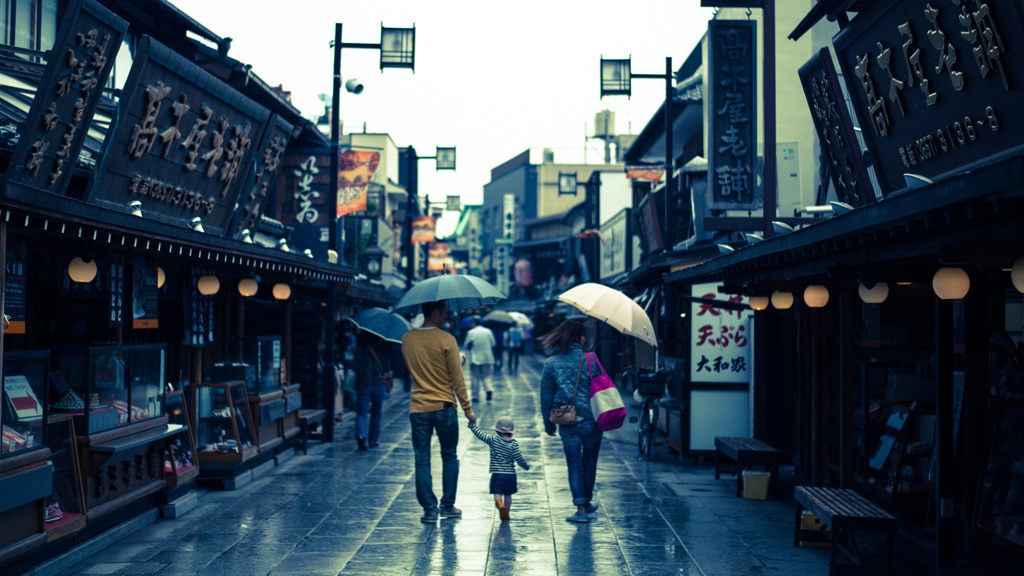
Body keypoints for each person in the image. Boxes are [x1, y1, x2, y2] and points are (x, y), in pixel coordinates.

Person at [402, 300, 476, 524]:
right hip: (444, 406)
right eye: (443, 312)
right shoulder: (447, 339)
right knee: (449, 456)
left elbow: (419, 367)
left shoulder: (407, 339)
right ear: (435, 312)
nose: (445, 316)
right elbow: (457, 380)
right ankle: (447, 506)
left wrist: (453, 361)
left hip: (418, 407)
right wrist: (468, 411)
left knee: (422, 458)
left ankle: (429, 510)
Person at [539, 320, 603, 524]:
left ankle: (581, 508)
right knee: (590, 462)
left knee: (574, 465)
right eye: (583, 335)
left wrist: (548, 423)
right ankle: (586, 501)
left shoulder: (552, 363)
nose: (585, 339)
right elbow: (602, 386)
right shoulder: (591, 360)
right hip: (592, 420)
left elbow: (546, 395)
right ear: (577, 338)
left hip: (567, 421)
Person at [468, 416, 529, 522]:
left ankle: (500, 506)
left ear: (498, 431)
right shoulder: (514, 444)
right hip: (511, 475)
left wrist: (472, 426)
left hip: (497, 474)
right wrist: (526, 466)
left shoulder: (493, 440)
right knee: (508, 494)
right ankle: (507, 511)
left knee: (497, 493)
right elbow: (519, 459)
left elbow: (480, 435)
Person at [352, 331, 391, 451]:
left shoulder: (360, 349)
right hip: (379, 384)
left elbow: (354, 366)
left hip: (363, 383)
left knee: (361, 412)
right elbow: (387, 366)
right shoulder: (382, 349)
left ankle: (361, 435)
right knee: (376, 412)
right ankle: (373, 440)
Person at [465, 319, 496, 402]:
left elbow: (466, 345)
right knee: (486, 375)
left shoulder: (471, 332)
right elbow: (493, 343)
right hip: (487, 358)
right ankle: (488, 389)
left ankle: (475, 396)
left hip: (475, 358)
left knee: (475, 377)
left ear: (474, 323)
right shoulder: (488, 331)